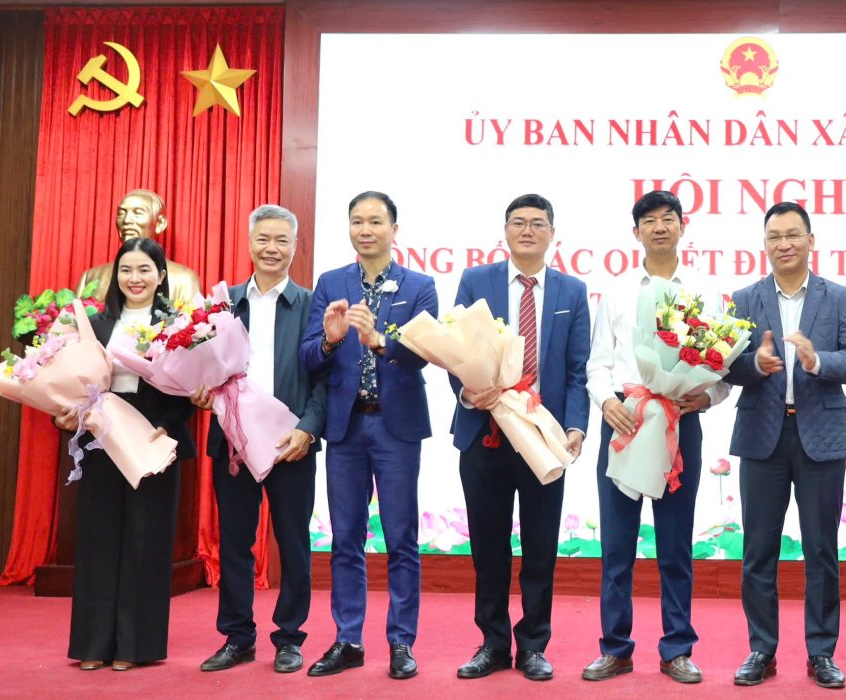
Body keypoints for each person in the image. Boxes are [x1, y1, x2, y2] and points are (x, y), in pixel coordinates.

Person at [583, 190, 729, 685]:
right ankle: (615, 648)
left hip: (679, 426)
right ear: (636, 232)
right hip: (625, 423)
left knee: (675, 546)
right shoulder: (617, 292)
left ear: (683, 227)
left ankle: (677, 649)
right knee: (617, 546)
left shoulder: (707, 292)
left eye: (669, 218)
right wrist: (605, 403)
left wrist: (705, 398)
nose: (660, 227)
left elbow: (722, 371)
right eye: (650, 221)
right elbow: (597, 364)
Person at [725, 201, 846, 689]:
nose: (783, 244)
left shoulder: (840, 298)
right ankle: (761, 650)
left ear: (811, 241)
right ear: (764, 244)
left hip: (821, 437)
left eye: (793, 235)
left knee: (821, 550)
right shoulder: (744, 299)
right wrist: (754, 365)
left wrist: (817, 361)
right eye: (774, 237)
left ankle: (821, 653)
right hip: (761, 436)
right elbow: (724, 364)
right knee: (757, 551)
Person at [450, 194, 590, 681]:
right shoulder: (477, 281)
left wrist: (575, 426)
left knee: (540, 546)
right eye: (518, 222)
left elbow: (577, 369)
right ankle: (492, 643)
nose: (527, 230)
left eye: (537, 223)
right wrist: (469, 392)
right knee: (488, 547)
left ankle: (533, 644)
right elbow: (454, 348)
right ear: (505, 231)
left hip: (543, 438)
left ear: (552, 233)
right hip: (484, 433)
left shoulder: (572, 291)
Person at [299, 191, 437, 680]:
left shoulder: (419, 285)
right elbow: (308, 357)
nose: (365, 230)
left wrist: (379, 340)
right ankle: (348, 640)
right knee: (345, 539)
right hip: (346, 426)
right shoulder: (331, 283)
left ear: (394, 230)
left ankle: (401, 642)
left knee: (401, 538)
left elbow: (426, 354)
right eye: (357, 221)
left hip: (395, 427)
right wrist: (331, 338)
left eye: (376, 221)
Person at [194, 205, 327, 674]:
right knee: (235, 542)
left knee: (293, 543)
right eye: (263, 239)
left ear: (295, 246)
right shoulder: (222, 304)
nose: (272, 248)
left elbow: (325, 378)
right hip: (233, 441)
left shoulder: (312, 304)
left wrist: (308, 428)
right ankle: (238, 637)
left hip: (291, 441)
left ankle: (289, 638)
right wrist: (196, 388)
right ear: (250, 243)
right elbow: (201, 367)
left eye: (282, 240)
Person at [59, 237, 196, 671]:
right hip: (101, 435)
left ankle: (136, 646)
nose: (134, 278)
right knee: (98, 538)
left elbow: (191, 388)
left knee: (145, 540)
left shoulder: (179, 326)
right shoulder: (94, 326)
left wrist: (168, 424)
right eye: (126, 270)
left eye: (144, 270)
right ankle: (94, 643)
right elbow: (70, 383)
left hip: (154, 436)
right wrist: (65, 412)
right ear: (115, 276)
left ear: (160, 276)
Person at [76, 189, 201, 303]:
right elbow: (72, 318)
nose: (126, 220)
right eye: (121, 213)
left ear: (160, 224)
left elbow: (192, 318)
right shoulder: (90, 277)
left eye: (138, 213)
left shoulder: (184, 279)